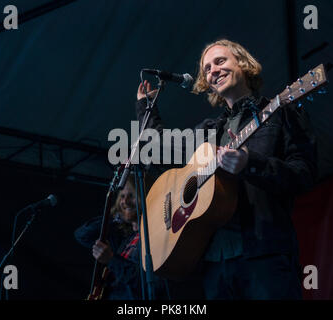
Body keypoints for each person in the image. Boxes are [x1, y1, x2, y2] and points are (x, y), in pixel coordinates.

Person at [135, 39, 317, 299]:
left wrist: (250, 163)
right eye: (207, 69)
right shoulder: (209, 130)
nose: (213, 71)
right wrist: (145, 106)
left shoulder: (279, 113)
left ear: (243, 64)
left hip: (264, 259)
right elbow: (159, 147)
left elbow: (304, 175)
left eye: (220, 61)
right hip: (214, 266)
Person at [74, 177, 169, 300]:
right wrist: (114, 217)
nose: (125, 201)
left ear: (146, 198)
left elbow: (152, 285)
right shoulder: (124, 238)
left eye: (131, 195)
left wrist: (112, 260)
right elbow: (82, 235)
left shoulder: (155, 237)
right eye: (122, 197)